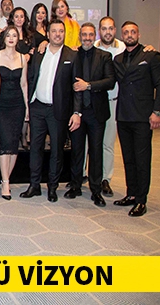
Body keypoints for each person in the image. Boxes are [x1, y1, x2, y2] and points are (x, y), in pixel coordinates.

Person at [21, 20, 81, 202]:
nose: (57, 34)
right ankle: (34, 185)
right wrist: (29, 103)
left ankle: (52, 187)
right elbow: (32, 77)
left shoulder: (72, 55)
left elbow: (76, 87)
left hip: (58, 110)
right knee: (35, 148)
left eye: (61, 31)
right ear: (48, 34)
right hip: (38, 107)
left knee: (56, 150)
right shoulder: (40, 53)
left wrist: (76, 112)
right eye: (54, 31)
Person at [112, 21, 160, 216]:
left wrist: (157, 111)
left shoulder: (151, 56)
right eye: (126, 32)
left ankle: (142, 200)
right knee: (128, 158)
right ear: (122, 36)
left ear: (139, 34)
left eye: (133, 32)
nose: (129, 35)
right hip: (124, 115)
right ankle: (131, 194)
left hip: (143, 116)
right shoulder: (117, 59)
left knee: (142, 159)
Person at [66, 23, 115, 207]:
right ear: (80, 36)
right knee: (77, 150)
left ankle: (96, 189)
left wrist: (88, 85)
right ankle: (76, 185)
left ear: (95, 36)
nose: (87, 38)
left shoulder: (104, 56)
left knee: (96, 151)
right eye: (84, 35)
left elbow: (110, 81)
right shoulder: (73, 55)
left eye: (90, 35)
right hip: (77, 112)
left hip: (96, 112)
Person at [0, 26, 29, 200]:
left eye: (14, 35)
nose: (11, 38)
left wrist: (27, 107)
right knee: (5, 141)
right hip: (0, 104)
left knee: (14, 144)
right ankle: (6, 181)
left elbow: (24, 84)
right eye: (8, 35)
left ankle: (5, 178)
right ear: (4, 38)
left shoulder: (23, 58)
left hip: (17, 104)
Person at [95, 16, 125, 197]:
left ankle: (106, 178)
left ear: (115, 30)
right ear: (100, 31)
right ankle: (83, 175)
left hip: (112, 102)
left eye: (110, 28)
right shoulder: (93, 46)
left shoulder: (123, 48)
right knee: (88, 143)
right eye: (104, 29)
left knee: (108, 143)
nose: (107, 32)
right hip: (94, 103)